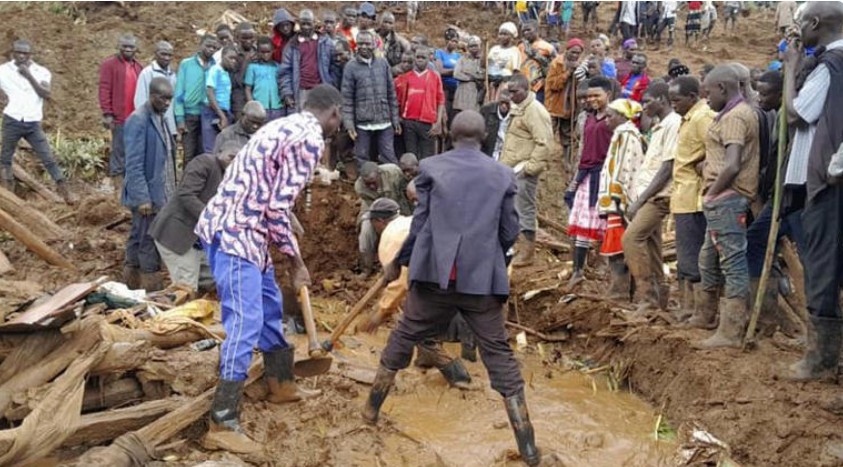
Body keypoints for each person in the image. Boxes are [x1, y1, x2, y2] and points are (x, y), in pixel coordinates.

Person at [362, 110, 540, 466]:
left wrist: (399, 262)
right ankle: (529, 449)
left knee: (404, 335)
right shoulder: (503, 175)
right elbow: (509, 231)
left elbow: (421, 224)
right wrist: (490, 260)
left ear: (449, 134)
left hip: (434, 276)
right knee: (499, 355)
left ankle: (369, 412)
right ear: (485, 134)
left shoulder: (430, 168)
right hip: (480, 281)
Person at [195, 85, 343, 453]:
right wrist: (297, 263)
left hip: (245, 227)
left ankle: (281, 382)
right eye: (340, 121)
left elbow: (264, 185)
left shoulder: (282, 125)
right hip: (236, 233)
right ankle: (222, 420)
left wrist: (286, 215)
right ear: (334, 114)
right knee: (244, 322)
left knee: (269, 307)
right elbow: (274, 208)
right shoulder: (310, 140)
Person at [781, 1, 843, 381]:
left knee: (822, 265)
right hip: (829, 175)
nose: (797, 28)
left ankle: (819, 362)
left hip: (827, 181)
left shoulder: (831, 65)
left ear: (816, 23)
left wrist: (790, 68)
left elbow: (794, 113)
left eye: (800, 22)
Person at [359, 197, 474, 388]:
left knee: (417, 331)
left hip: (440, 280)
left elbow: (402, 281)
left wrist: (380, 312)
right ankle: (431, 361)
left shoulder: (391, 237)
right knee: (430, 325)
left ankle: (460, 377)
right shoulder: (408, 222)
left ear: (377, 222)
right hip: (464, 274)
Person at [694, 65, 759, 349]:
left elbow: (732, 164)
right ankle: (706, 315)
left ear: (722, 88)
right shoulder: (735, 113)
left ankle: (731, 332)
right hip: (723, 198)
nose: (706, 100)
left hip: (727, 198)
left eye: (708, 93)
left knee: (732, 262)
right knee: (708, 258)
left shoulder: (734, 117)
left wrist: (713, 193)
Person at [150, 141, 239, 293]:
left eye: (237, 160)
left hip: (197, 241)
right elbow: (186, 194)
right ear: (219, 152)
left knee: (217, 277)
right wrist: (211, 218)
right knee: (186, 288)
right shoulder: (205, 162)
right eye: (231, 157)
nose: (233, 161)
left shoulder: (230, 178)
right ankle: (165, 314)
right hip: (177, 237)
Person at [623, 82, 680, 314]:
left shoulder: (673, 124)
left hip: (659, 196)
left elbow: (667, 167)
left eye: (648, 101)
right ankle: (660, 298)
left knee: (631, 239)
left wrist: (640, 200)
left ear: (663, 100)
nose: (643, 106)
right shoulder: (660, 125)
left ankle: (646, 297)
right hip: (650, 193)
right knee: (652, 245)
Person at [0, 40, 75, 203]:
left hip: (33, 123)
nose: (21, 56)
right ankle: (8, 197)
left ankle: (66, 193)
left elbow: (45, 93)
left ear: (30, 55)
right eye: (18, 52)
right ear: (13, 53)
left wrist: (28, 75)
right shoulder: (4, 70)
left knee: (48, 157)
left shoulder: (42, 72)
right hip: (12, 119)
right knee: (5, 158)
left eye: (25, 53)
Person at [122, 78, 177, 293]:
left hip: (160, 190)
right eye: (163, 98)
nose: (167, 103)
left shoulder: (159, 117)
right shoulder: (138, 120)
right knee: (148, 238)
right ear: (152, 95)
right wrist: (142, 197)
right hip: (147, 194)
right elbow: (133, 163)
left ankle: (131, 281)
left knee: (139, 235)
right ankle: (150, 284)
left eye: (170, 99)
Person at [668, 75, 714, 325]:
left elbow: (716, 149)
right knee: (686, 257)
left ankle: (701, 312)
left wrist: (703, 170)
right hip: (683, 196)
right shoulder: (688, 118)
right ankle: (688, 309)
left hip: (695, 198)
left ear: (692, 97)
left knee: (694, 257)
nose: (672, 105)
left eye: (676, 100)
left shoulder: (702, 117)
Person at [500, 74, 553, 267]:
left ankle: (527, 252)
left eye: (515, 91)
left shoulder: (534, 110)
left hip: (524, 169)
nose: (511, 95)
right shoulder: (520, 107)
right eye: (509, 91)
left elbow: (544, 143)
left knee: (525, 210)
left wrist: (529, 168)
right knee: (513, 209)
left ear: (527, 89)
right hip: (513, 168)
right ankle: (517, 247)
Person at [566, 77, 614, 286]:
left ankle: (605, 267)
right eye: (589, 96)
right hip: (586, 174)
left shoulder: (614, 120)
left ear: (608, 95)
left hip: (604, 176)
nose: (592, 99)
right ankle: (578, 270)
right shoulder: (588, 118)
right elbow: (583, 148)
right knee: (583, 223)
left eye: (597, 95)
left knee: (605, 222)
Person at [596, 98, 645, 301]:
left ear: (622, 117)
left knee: (617, 248)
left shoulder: (625, 135)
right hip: (618, 200)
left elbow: (622, 171)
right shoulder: (624, 134)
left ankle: (620, 292)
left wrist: (616, 199)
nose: (606, 120)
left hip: (618, 201)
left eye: (610, 116)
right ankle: (625, 291)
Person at [341, 30, 400, 168]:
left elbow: (391, 93)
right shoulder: (350, 67)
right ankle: (365, 187)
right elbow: (347, 99)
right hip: (362, 122)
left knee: (388, 156)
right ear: (356, 45)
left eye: (367, 43)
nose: (364, 47)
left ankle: (393, 186)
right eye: (360, 43)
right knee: (362, 157)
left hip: (384, 120)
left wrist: (395, 119)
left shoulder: (383, 63)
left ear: (374, 44)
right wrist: (349, 124)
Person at [99, 34, 144, 194]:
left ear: (135, 49)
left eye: (131, 47)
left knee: (133, 152)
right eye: (124, 46)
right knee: (118, 151)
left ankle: (129, 187)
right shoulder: (109, 65)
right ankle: (118, 189)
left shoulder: (139, 67)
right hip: (118, 117)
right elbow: (104, 89)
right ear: (119, 46)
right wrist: (107, 113)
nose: (127, 50)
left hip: (135, 118)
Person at [356, 161, 411, 275]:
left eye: (373, 182)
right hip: (375, 210)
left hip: (398, 208)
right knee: (366, 228)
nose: (371, 186)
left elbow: (407, 195)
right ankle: (366, 268)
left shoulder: (393, 173)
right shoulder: (359, 186)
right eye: (368, 184)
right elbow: (374, 209)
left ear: (379, 174)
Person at [175, 35, 218, 168]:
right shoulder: (186, 64)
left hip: (207, 115)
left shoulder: (215, 66)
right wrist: (180, 118)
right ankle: (186, 186)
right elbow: (179, 92)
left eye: (214, 47)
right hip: (189, 115)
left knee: (204, 153)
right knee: (189, 154)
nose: (211, 49)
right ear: (200, 45)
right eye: (208, 46)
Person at [280, 10, 335, 112]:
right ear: (298, 24)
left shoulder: (325, 42)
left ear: (314, 23)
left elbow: (334, 65)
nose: (305, 27)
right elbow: (285, 72)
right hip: (301, 91)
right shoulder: (292, 45)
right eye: (303, 24)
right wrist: (287, 93)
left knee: (321, 122)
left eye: (308, 24)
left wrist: (330, 85)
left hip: (321, 89)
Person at [396, 47, 445, 160]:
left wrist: (438, 122)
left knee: (427, 156)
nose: (420, 60)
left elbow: (440, 100)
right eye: (418, 57)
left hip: (427, 123)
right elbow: (399, 100)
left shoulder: (434, 77)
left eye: (423, 57)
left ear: (429, 59)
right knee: (411, 154)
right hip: (409, 122)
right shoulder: (406, 77)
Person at [545, 38, 584, 166]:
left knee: (567, 136)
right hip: (554, 105)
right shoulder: (556, 64)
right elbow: (553, 85)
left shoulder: (580, 66)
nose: (575, 55)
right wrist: (568, 73)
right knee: (548, 133)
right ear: (567, 50)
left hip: (569, 106)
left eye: (578, 53)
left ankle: (566, 160)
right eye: (573, 52)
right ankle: (544, 160)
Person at [134, 41, 177, 136]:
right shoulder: (147, 73)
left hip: (169, 123)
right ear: (155, 54)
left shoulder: (173, 75)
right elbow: (140, 100)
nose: (167, 58)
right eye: (163, 54)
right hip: (152, 124)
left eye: (170, 55)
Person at [202, 46, 238, 154]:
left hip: (223, 112)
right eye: (230, 58)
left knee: (221, 147)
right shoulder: (215, 70)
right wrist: (222, 116)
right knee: (211, 147)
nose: (233, 61)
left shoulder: (226, 72)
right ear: (222, 56)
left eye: (235, 59)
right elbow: (210, 92)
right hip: (212, 112)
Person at [245, 37, 285, 121]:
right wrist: (252, 105)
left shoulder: (278, 67)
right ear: (257, 52)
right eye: (262, 52)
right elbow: (248, 89)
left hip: (278, 107)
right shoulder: (252, 67)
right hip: (260, 107)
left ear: (273, 50)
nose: (265, 55)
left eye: (268, 52)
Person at [518, 20, 555, 104]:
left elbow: (554, 66)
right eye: (523, 31)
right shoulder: (520, 46)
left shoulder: (547, 47)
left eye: (528, 30)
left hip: (539, 86)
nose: (526, 33)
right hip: (522, 86)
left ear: (537, 30)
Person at [486, 22, 522, 103]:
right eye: (500, 34)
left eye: (505, 34)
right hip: (492, 83)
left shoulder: (515, 51)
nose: (502, 36)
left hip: (505, 84)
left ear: (511, 36)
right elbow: (486, 65)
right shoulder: (494, 49)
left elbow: (516, 72)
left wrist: (508, 85)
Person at [230, 22, 258, 121]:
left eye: (251, 38)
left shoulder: (258, 52)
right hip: (239, 99)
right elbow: (236, 82)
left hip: (257, 96)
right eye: (244, 38)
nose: (248, 41)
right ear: (237, 38)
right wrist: (246, 62)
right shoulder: (232, 55)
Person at [435, 28, 462, 118]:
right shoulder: (439, 53)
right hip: (444, 86)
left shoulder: (458, 55)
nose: (454, 44)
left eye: (456, 42)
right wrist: (455, 70)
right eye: (453, 41)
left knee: (454, 112)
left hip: (456, 87)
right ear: (447, 40)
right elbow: (440, 70)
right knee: (444, 111)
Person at [453, 36, 485, 113]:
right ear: (468, 48)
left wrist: (472, 75)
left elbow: (483, 75)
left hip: (476, 91)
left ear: (479, 47)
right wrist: (469, 78)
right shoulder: (462, 59)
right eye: (471, 46)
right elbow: (456, 74)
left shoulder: (482, 61)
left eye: (476, 45)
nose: (474, 48)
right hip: (463, 91)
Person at [480, 86, 512, 160]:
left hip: (505, 154)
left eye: (507, 103)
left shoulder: (515, 115)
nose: (504, 106)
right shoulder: (486, 110)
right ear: (498, 100)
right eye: (502, 103)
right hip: (487, 152)